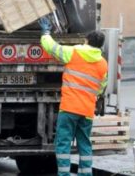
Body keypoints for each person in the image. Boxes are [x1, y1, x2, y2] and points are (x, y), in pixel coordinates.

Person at [39, 17, 108, 176]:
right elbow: (101, 87)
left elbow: (52, 48)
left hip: (69, 108)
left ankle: (64, 174)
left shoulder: (74, 52)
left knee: (63, 144)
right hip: (87, 110)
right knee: (85, 143)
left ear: (86, 40)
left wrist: (45, 33)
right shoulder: (103, 64)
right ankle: (86, 174)